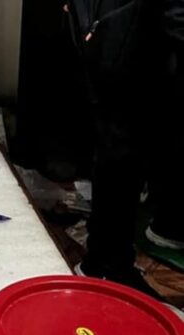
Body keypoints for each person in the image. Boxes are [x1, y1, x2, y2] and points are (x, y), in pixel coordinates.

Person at [67, 0, 184, 300]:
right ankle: (105, 266)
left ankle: (110, 262)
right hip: (126, 43)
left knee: (128, 157)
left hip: (136, 40)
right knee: (121, 158)